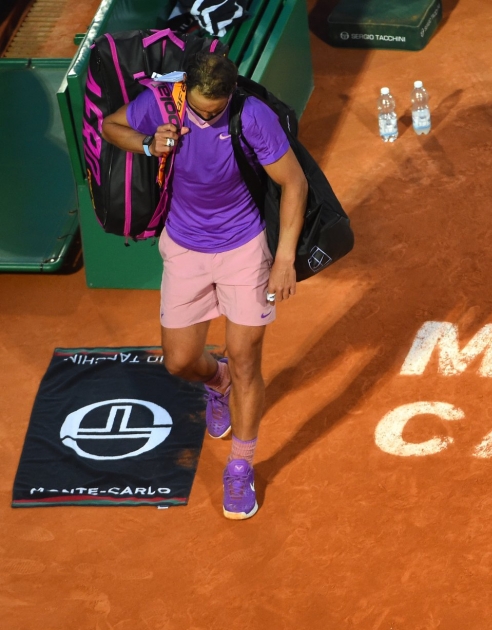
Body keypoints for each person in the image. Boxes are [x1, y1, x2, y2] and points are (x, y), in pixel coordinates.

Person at [102, 52, 307, 520]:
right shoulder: (162, 104)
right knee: (178, 361)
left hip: (243, 249)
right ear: (184, 90)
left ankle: (240, 467)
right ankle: (217, 383)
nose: (209, 115)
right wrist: (147, 142)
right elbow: (110, 127)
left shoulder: (252, 116)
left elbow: (293, 184)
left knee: (246, 360)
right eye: (201, 108)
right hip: (185, 247)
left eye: (217, 109)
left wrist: (285, 260)